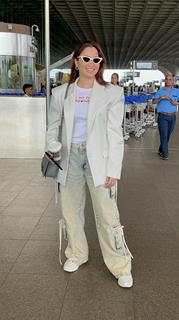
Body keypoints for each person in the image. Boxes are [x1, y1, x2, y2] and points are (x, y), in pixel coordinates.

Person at [46, 40, 133, 288]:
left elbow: (115, 132)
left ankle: (120, 265)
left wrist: (114, 169)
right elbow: (53, 126)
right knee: (70, 210)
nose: (91, 64)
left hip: (99, 159)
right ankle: (76, 253)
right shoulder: (60, 93)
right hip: (69, 157)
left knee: (107, 214)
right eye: (86, 59)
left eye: (96, 60)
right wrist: (52, 146)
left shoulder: (113, 93)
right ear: (76, 61)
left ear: (100, 64)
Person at [152, 74, 179, 160]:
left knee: (167, 135)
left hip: (173, 117)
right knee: (163, 135)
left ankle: (161, 150)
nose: (168, 81)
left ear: (173, 81)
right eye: (166, 79)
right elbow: (153, 101)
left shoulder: (176, 91)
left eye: (170, 79)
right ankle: (165, 154)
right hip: (162, 117)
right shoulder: (160, 91)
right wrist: (161, 98)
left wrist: (177, 103)